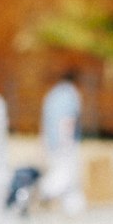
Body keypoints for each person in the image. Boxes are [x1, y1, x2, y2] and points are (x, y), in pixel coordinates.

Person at [36, 76, 86, 214]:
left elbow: (44, 123)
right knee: (67, 174)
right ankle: (44, 190)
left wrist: (42, 145)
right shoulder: (69, 95)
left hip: (51, 142)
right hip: (65, 141)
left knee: (66, 174)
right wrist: (67, 141)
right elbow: (68, 119)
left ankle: (73, 207)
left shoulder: (51, 95)